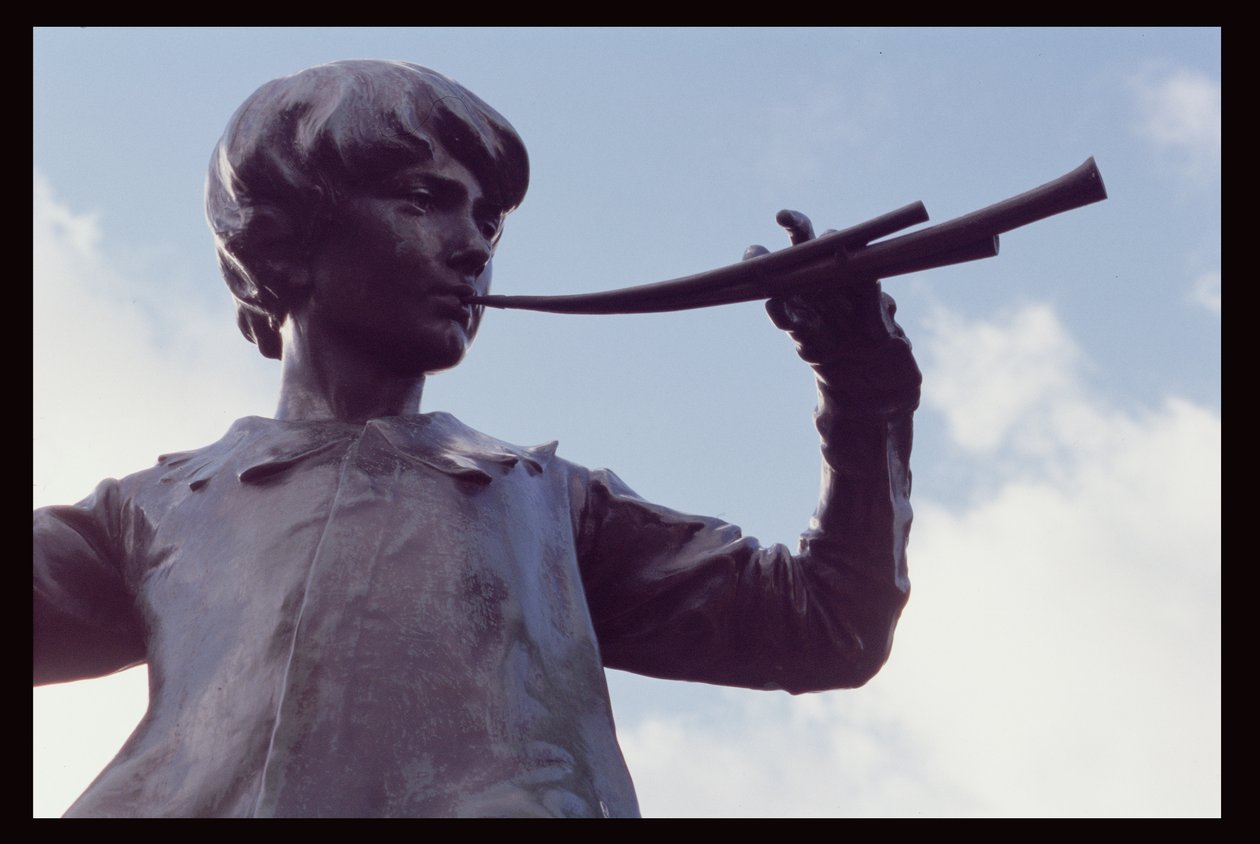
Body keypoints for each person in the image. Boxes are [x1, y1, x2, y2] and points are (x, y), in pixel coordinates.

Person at [33, 60, 921, 817]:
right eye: (427, 202)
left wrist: (864, 384)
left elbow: (826, 625)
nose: (472, 249)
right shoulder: (155, 513)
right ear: (284, 245)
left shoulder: (546, 501)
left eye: (487, 223)